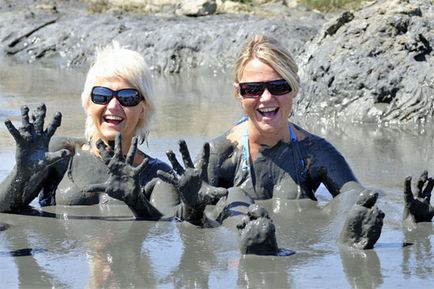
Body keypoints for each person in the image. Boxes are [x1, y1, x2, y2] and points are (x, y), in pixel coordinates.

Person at [158, 34, 388, 254]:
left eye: (278, 87)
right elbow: (182, 219)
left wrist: (411, 218)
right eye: (253, 90)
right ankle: (254, 243)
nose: (267, 98)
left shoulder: (314, 151)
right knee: (235, 195)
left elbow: (355, 195)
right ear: (238, 93)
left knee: (353, 197)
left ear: (294, 88)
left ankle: (351, 239)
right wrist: (192, 208)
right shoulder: (220, 153)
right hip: (239, 242)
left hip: (303, 245)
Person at [0, 44, 194, 219]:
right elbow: (5, 209)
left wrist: (138, 202)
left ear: (143, 108)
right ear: (88, 103)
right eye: (102, 96)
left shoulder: (158, 175)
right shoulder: (60, 153)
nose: (113, 106)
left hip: (127, 258)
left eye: (127, 97)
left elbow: (168, 227)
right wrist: (22, 174)